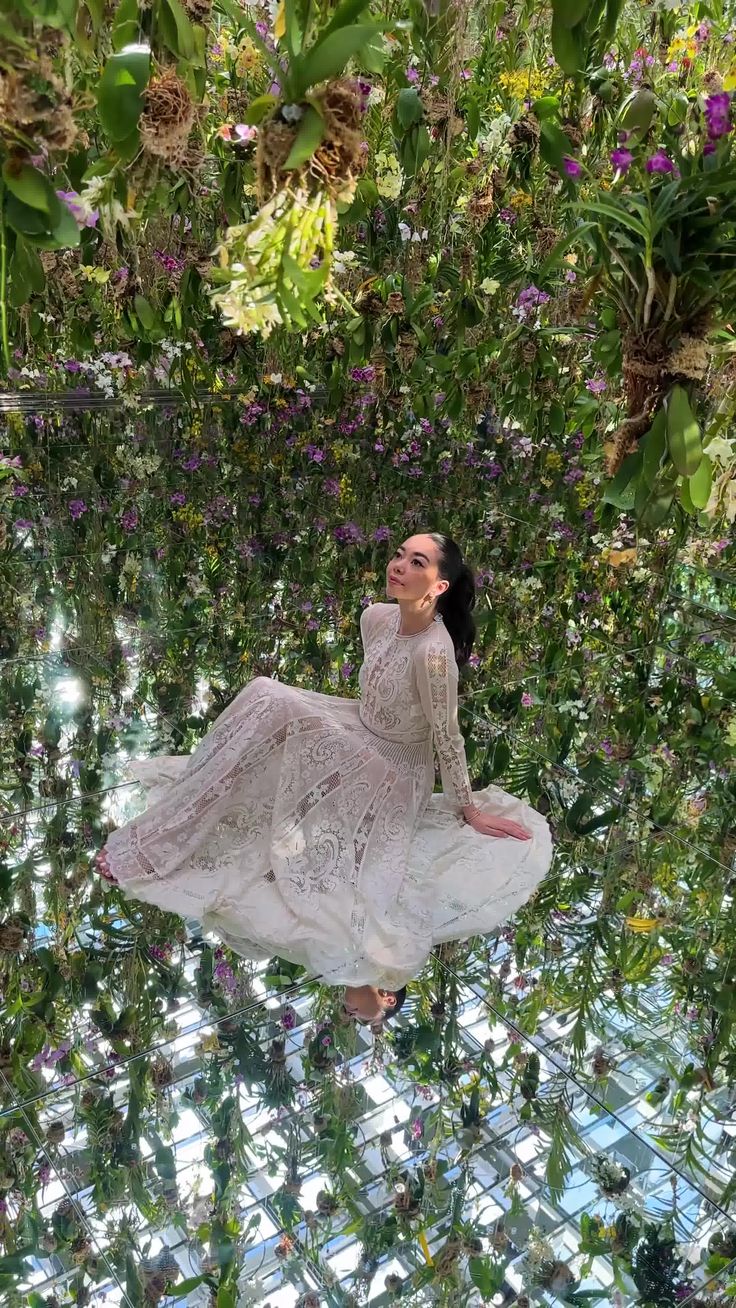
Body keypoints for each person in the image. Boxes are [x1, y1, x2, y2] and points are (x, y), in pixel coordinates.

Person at [94, 532, 553, 1025]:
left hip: (397, 768)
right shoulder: (376, 618)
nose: (397, 565)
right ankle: (176, 823)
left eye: (416, 561)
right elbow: (376, 697)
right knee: (264, 695)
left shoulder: (435, 655)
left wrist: (468, 806)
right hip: (359, 726)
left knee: (274, 698)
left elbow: (446, 736)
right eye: (398, 554)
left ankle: (162, 844)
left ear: (439, 586)